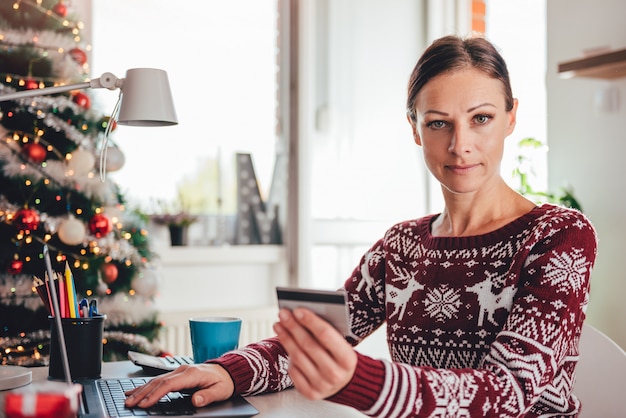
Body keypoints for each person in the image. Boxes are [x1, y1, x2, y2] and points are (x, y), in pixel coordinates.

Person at [125, 34, 597, 417]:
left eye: (481, 119)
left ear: (511, 117)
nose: (460, 145)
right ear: (414, 128)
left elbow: (508, 392)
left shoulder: (560, 235)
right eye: (438, 124)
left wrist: (355, 380)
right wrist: (228, 373)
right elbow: (327, 341)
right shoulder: (401, 245)